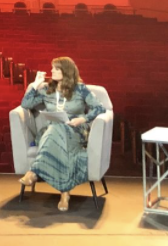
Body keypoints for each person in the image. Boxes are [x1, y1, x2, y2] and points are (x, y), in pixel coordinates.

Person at [17, 56, 104, 211]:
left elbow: (99, 108)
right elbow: (26, 104)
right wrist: (35, 84)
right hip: (51, 130)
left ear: (66, 71)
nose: (52, 71)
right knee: (56, 129)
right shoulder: (47, 89)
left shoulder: (80, 89)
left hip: (75, 130)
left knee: (58, 130)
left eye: (56, 69)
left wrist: (82, 119)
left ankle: (34, 171)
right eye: (52, 68)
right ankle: (65, 194)